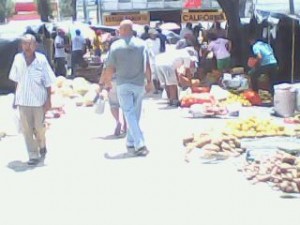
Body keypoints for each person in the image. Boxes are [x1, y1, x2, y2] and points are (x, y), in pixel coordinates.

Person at [100, 19, 152, 156]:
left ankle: (140, 143)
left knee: (129, 113)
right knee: (135, 113)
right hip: (139, 84)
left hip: (123, 84)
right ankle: (130, 141)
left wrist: (107, 82)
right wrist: (150, 81)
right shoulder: (142, 45)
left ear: (122, 30)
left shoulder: (116, 46)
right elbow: (147, 65)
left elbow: (110, 67)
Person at [9, 34, 56, 166]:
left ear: (35, 45)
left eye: (30, 44)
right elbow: (15, 79)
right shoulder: (18, 59)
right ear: (21, 46)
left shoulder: (41, 60)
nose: (27, 47)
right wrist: (15, 97)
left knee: (39, 128)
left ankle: (42, 144)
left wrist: (48, 100)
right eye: (24, 44)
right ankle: (32, 155)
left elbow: (48, 81)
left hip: (38, 101)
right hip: (23, 100)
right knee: (26, 129)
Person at [99, 34, 127, 137]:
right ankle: (125, 125)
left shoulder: (108, 56)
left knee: (113, 104)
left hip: (111, 82)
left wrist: (101, 83)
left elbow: (105, 70)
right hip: (124, 81)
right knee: (125, 105)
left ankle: (118, 121)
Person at [145, 28, 162, 94]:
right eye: (153, 34)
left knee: (159, 73)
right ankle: (156, 88)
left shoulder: (158, 40)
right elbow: (148, 51)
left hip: (159, 58)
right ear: (150, 35)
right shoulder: (147, 41)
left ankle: (159, 86)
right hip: (152, 59)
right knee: (154, 74)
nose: (155, 36)